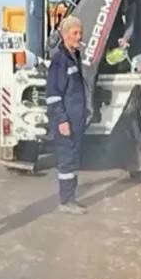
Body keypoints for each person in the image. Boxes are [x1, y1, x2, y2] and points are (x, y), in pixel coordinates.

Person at [46, 16, 89, 215]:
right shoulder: (59, 61)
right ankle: (65, 201)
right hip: (66, 121)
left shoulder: (75, 56)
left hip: (76, 120)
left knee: (73, 160)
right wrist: (61, 119)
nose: (79, 37)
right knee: (66, 160)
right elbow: (53, 94)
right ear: (64, 36)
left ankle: (71, 197)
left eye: (80, 33)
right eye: (75, 33)